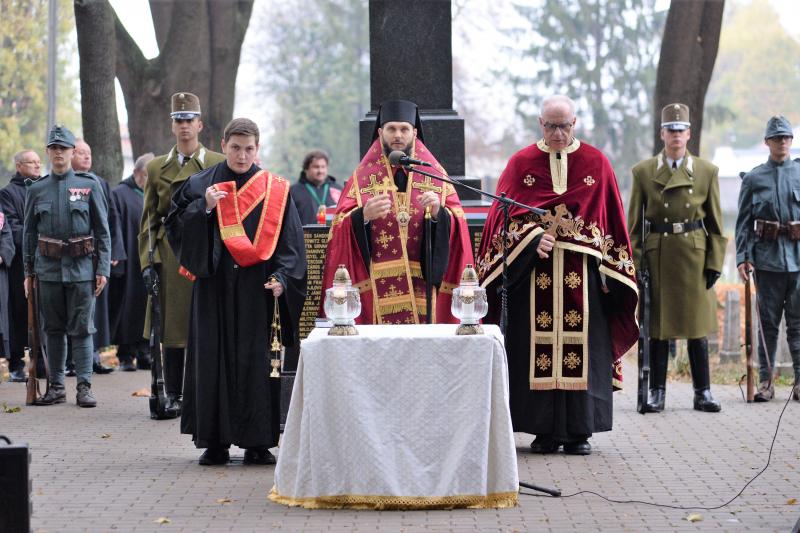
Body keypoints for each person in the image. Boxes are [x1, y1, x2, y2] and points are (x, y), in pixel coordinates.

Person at [476, 95, 638, 455]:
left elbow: (613, 222)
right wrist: (531, 241)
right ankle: (543, 431)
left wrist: (607, 269)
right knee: (536, 348)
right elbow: (498, 225)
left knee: (584, 349)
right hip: (535, 279)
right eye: (551, 126)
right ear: (540, 124)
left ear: (575, 123)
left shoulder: (597, 162)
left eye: (564, 125)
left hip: (584, 281)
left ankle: (580, 431)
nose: (558, 133)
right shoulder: (521, 164)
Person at [166, 118, 306, 465]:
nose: (242, 156)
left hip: (257, 290)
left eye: (249, 149)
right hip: (214, 288)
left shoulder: (275, 190)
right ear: (223, 145)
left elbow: (291, 243)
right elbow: (173, 227)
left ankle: (258, 442)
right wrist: (204, 210)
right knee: (213, 363)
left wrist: (284, 279)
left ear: (257, 149)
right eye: (235, 148)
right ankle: (215, 441)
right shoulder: (200, 184)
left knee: (256, 364)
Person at [320, 99, 473, 324]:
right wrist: (361, 217)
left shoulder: (434, 174)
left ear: (415, 132)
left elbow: (458, 219)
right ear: (381, 132)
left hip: (424, 281)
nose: (398, 135)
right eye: (391, 129)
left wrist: (440, 213)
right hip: (377, 286)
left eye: (404, 129)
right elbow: (339, 225)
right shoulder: (362, 178)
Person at [628, 103, 727, 413]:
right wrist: (637, 263)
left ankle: (703, 392)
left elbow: (716, 223)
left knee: (697, 328)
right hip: (660, 254)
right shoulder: (643, 172)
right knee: (658, 328)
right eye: (670, 130)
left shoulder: (707, 171)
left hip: (695, 255)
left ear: (689, 134)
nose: (675, 135)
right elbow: (634, 226)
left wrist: (714, 262)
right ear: (662, 134)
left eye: (680, 130)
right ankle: (657, 392)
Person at [138, 92, 225, 416]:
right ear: (172, 126)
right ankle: (172, 392)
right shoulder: (158, 167)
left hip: (207, 250)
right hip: (171, 253)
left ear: (200, 124)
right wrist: (148, 262)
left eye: (189, 120)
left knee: (207, 325)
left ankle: (206, 391)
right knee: (173, 330)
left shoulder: (218, 162)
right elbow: (148, 219)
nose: (184, 126)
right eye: (178, 121)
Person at [22, 125, 111, 407]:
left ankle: (84, 386)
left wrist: (103, 270)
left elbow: (103, 231)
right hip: (47, 270)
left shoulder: (89, 186)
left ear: (72, 152)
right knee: (54, 329)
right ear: (48, 152)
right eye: (54, 148)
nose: (59, 153)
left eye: (64, 148)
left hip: (82, 270)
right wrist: (27, 272)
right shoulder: (36, 189)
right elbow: (28, 234)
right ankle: (57, 386)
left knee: (83, 329)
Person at [735, 115, 800, 402]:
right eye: (776, 138)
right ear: (767, 142)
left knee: (798, 325)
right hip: (768, 261)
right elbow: (743, 224)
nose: (782, 143)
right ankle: (765, 383)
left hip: (798, 260)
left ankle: (799, 383)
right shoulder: (753, 178)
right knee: (768, 327)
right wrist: (743, 257)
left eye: (785, 138)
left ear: (791, 141)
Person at [71, 139, 124, 374]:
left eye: (89, 153)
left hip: (95, 256)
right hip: (72, 256)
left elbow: (112, 219)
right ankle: (71, 360)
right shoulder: (64, 182)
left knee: (96, 309)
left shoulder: (99, 183)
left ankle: (93, 356)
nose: (87, 157)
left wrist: (113, 251)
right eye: (81, 153)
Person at [109, 152, 154, 371]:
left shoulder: (153, 194)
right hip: (129, 260)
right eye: (148, 175)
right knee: (127, 307)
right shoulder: (119, 194)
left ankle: (145, 352)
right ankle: (126, 354)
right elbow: (114, 228)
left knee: (149, 307)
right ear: (137, 173)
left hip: (150, 261)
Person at [0, 150, 41, 382]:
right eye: (31, 162)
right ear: (18, 166)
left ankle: (42, 363)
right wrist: (38, 238)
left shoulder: (43, 188)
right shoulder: (7, 193)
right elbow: (12, 227)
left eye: (38, 161)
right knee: (18, 313)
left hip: (44, 261)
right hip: (19, 265)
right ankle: (16, 364)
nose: (37, 165)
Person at [289, 150, 342, 225]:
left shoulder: (338, 190)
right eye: (316, 167)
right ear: (306, 169)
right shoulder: (293, 192)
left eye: (323, 167)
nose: (320, 171)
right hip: (305, 236)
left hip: (333, 235)